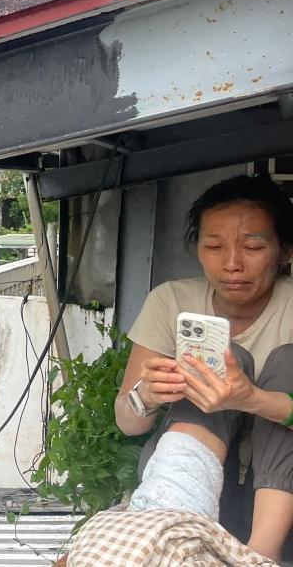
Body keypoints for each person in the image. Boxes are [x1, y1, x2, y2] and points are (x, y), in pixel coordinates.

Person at [116, 174, 293, 559]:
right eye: (214, 245)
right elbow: (128, 422)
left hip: (283, 505)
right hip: (200, 491)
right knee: (217, 361)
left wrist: (252, 399)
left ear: (285, 252)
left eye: (253, 246)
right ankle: (174, 538)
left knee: (287, 363)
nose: (232, 264)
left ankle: (260, 555)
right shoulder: (170, 301)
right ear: (198, 249)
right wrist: (145, 396)